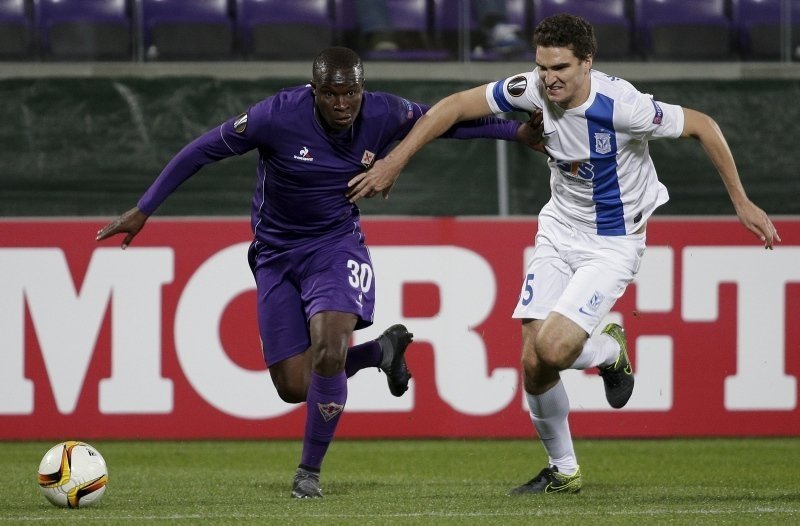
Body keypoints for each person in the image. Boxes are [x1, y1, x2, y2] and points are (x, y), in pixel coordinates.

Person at [346, 14, 781, 495]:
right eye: (542, 66)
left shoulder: (625, 107)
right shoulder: (530, 88)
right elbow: (453, 107)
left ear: (587, 62)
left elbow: (703, 125)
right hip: (558, 229)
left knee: (552, 349)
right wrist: (395, 162)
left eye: (561, 68)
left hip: (612, 243)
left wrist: (741, 201)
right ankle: (563, 470)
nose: (549, 78)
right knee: (533, 363)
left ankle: (610, 351)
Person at [96, 46, 543, 499]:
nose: (342, 103)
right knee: (294, 385)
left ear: (362, 89)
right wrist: (144, 208)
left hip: (336, 247)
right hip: (274, 254)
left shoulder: (383, 112)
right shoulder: (277, 115)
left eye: (351, 93)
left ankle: (308, 472)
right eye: (331, 94)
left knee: (329, 347)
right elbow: (202, 150)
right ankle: (380, 352)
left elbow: (444, 122)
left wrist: (515, 131)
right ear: (315, 91)